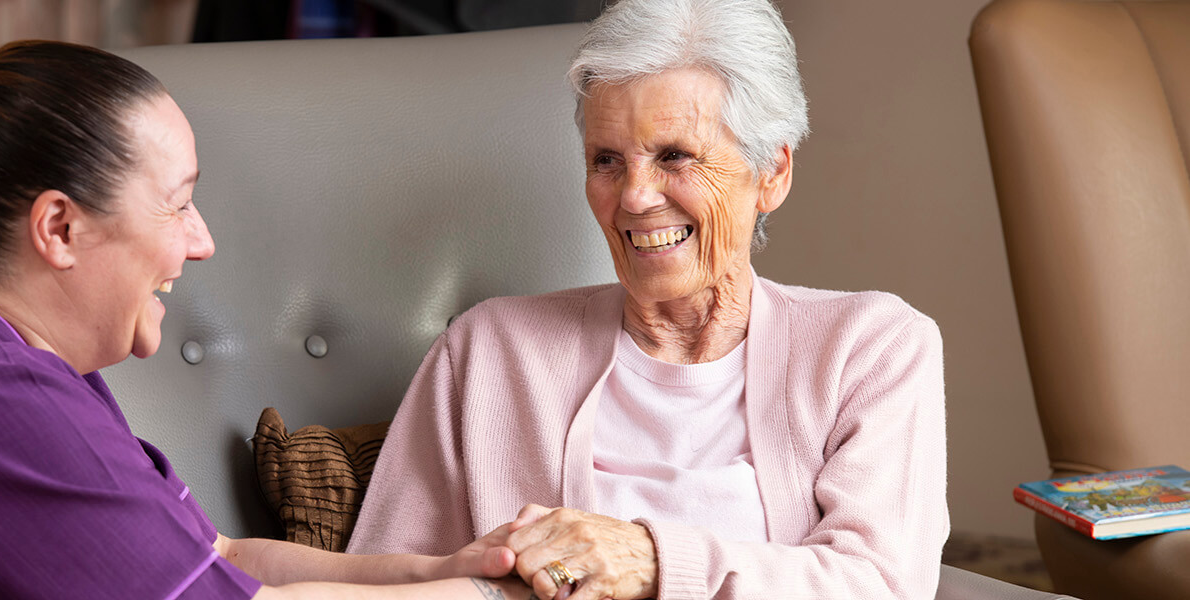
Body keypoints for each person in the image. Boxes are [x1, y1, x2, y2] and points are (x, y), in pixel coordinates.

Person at [0, 42, 538, 600]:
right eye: (178, 206)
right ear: (59, 228)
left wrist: (436, 569)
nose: (202, 243)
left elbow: (220, 559)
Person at [346, 0, 949, 598]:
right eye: (606, 160)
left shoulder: (872, 348)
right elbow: (386, 579)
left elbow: (880, 583)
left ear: (772, 173)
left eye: (674, 156)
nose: (634, 197)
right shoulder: (487, 351)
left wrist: (652, 560)